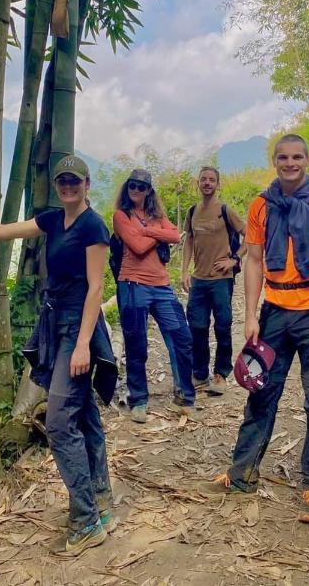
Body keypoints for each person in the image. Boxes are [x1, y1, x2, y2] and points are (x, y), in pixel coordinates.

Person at [0, 155, 117, 555]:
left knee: (58, 420)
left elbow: (96, 288)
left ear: (87, 184)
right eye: (62, 180)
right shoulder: (53, 220)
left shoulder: (93, 225)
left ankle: (86, 521)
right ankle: (100, 499)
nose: (68, 186)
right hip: (54, 323)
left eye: (74, 180)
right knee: (84, 415)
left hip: (78, 328)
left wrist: (81, 345)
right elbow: (2, 231)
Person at [210, 134, 309, 524]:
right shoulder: (261, 206)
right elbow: (256, 261)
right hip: (275, 311)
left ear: (307, 160)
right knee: (261, 392)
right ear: (274, 160)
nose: (290, 163)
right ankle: (242, 471)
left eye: (296, 157)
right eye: (283, 157)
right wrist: (250, 316)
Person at [113, 168, 196, 424]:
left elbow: (175, 235)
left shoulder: (156, 215)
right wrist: (157, 233)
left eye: (141, 186)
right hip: (132, 285)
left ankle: (184, 396)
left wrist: (147, 230)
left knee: (181, 337)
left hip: (161, 286)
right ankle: (139, 400)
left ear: (149, 190)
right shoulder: (120, 215)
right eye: (132, 186)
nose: (136, 190)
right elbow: (137, 248)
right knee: (137, 345)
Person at [181, 166, 246, 396]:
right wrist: (184, 271)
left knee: (222, 326)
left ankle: (221, 373)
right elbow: (189, 240)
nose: (207, 183)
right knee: (197, 327)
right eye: (203, 180)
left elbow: (250, 235)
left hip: (221, 279)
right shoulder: (192, 212)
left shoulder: (225, 210)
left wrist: (234, 259)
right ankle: (199, 372)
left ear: (218, 184)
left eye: (212, 180)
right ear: (198, 183)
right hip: (198, 279)